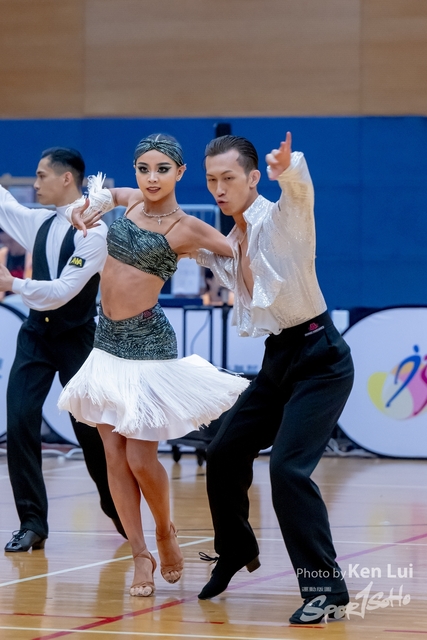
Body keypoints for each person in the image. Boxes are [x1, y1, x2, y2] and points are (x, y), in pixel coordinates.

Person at [58, 134, 249, 597]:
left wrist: (256, 232)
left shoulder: (189, 227)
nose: (151, 178)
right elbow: (105, 196)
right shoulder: (129, 203)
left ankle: (165, 530)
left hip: (149, 344)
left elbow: (242, 252)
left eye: (162, 169)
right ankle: (140, 554)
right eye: (144, 168)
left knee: (140, 458)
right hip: (106, 342)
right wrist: (87, 205)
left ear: (180, 172)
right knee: (113, 456)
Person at [196, 133, 355, 625]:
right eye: (212, 180)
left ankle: (326, 591)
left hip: (321, 359)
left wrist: (289, 168)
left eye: (228, 178)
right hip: (278, 359)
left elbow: (300, 192)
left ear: (252, 178)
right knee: (223, 451)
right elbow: (171, 228)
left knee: (287, 470)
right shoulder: (228, 241)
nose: (219, 189)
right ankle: (236, 549)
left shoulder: (283, 219)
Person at [0, 147, 124, 553]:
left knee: (90, 433)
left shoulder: (96, 234)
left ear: (66, 178)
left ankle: (117, 507)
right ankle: (32, 523)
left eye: (41, 176)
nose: (35, 184)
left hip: (76, 339)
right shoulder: (37, 222)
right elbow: (3, 202)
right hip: (35, 336)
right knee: (20, 421)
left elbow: (60, 293)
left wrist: (12, 284)